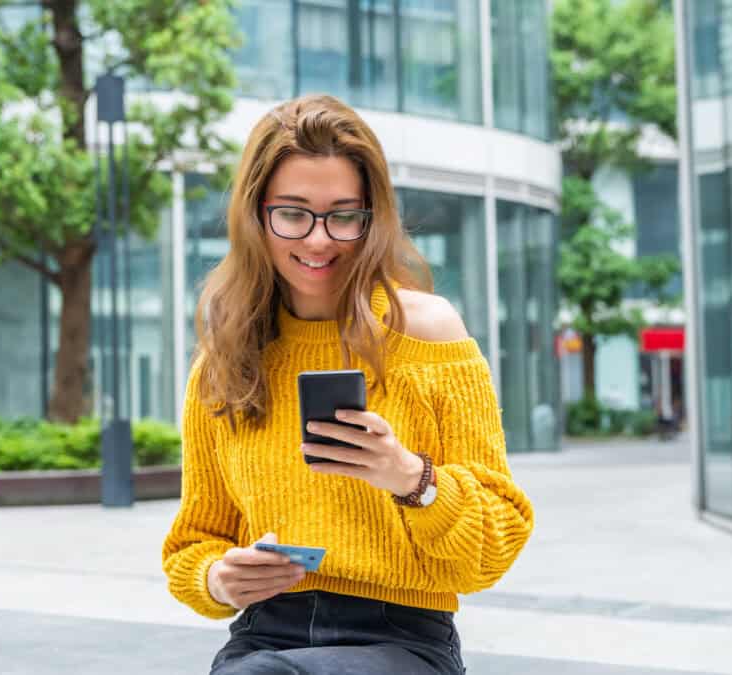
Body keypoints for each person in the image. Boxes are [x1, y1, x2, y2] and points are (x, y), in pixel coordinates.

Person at [161, 95, 535, 675]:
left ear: (373, 217)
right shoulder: (225, 357)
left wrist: (413, 479)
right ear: (255, 214)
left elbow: (493, 549)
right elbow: (193, 543)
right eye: (293, 213)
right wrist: (218, 577)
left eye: (343, 215)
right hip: (264, 633)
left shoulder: (429, 334)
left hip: (401, 637)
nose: (318, 241)